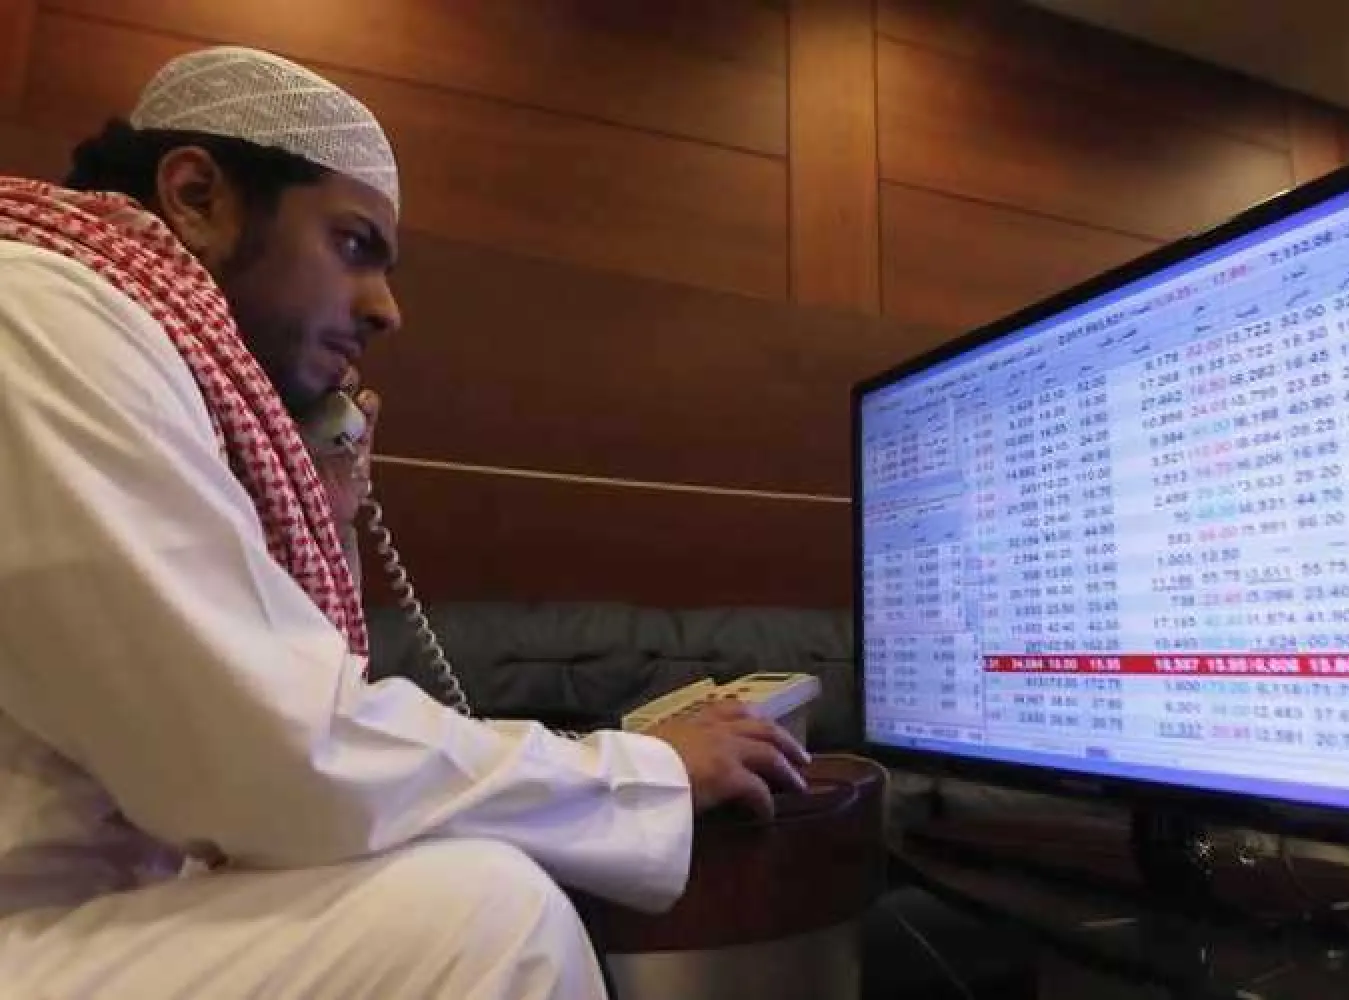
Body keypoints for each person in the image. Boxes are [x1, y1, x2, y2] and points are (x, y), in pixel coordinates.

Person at [0, 46, 808, 999]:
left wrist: (325, 507)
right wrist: (639, 773)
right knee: (483, 919)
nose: (386, 308)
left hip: (70, 917)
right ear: (196, 195)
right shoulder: (44, 314)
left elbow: (269, 731)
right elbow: (276, 759)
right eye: (353, 245)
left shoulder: (125, 338)